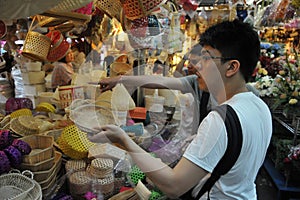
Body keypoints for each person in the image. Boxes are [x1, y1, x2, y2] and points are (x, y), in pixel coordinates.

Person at [90, 20, 272, 199]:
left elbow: (174, 186)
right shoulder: (260, 107)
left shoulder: (219, 119)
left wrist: (123, 140)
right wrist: (120, 80)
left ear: (232, 67)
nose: (197, 65)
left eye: (207, 58)